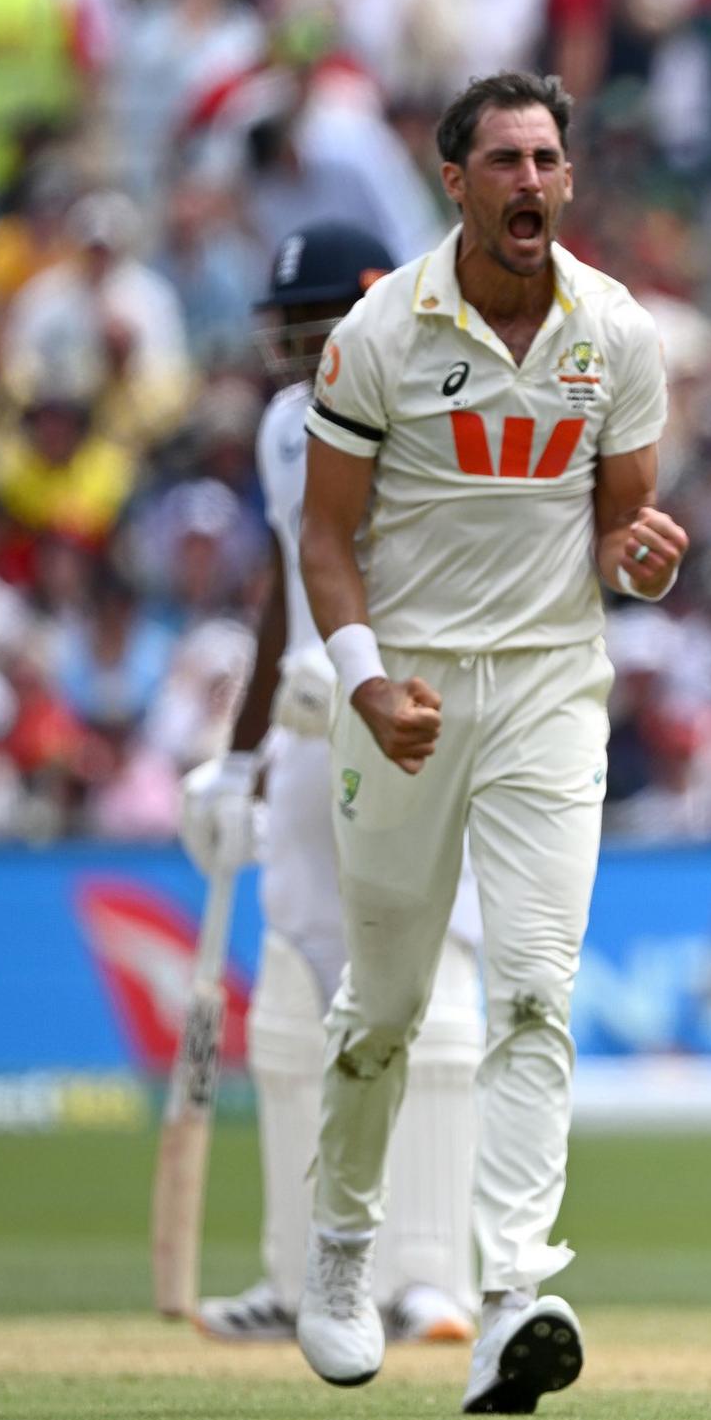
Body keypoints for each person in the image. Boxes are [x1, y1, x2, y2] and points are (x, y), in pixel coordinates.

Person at [293, 72, 684, 1413]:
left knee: (532, 987)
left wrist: (644, 563)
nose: (531, 180)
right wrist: (363, 681)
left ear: (569, 179)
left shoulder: (616, 332)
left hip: (550, 690)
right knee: (388, 1006)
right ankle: (341, 1254)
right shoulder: (378, 334)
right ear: (453, 179)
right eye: (505, 159)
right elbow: (323, 538)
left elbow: (623, 535)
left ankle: (515, 1286)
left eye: (548, 158)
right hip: (405, 697)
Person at [175, 222, 486, 1350]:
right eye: (285, 328)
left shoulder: (440, 399)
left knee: (429, 994)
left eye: (316, 323)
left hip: (414, 722)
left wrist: (366, 668)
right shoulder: (280, 424)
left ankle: (427, 1278)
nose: (297, 348)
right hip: (311, 732)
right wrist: (245, 752)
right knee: (296, 1011)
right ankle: (297, 1275)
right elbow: (280, 587)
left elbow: (462, 575)